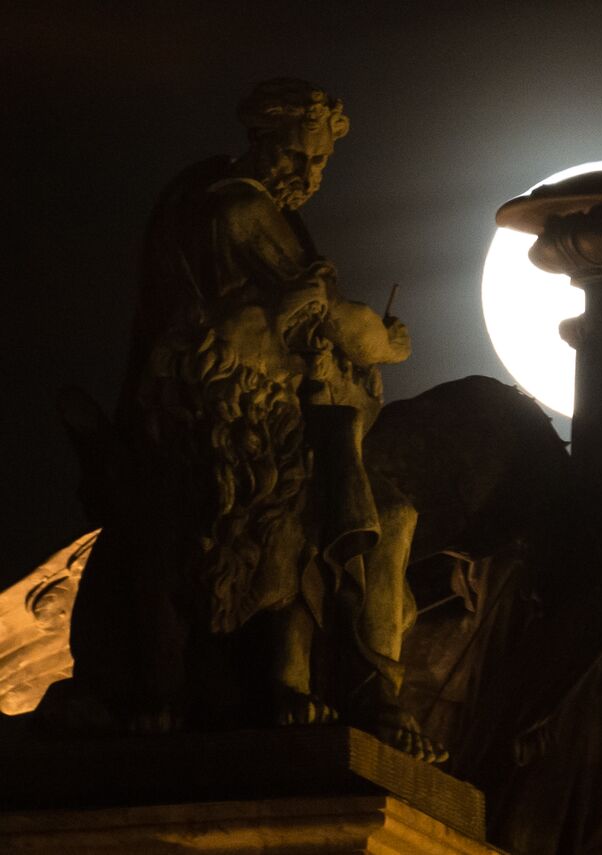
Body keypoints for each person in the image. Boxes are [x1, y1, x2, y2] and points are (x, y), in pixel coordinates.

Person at [52, 78, 440, 759]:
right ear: (260, 141)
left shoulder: (215, 206)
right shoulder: (241, 211)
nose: (309, 175)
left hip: (230, 413)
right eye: (298, 156)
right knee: (366, 521)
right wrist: (391, 343)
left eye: (320, 162)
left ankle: (332, 683)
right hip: (239, 415)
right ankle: (370, 689)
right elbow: (335, 323)